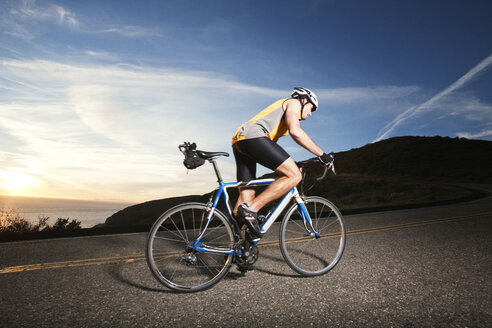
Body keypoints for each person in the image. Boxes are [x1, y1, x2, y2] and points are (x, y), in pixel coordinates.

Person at [232, 87, 334, 238]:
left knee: (247, 196)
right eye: (311, 108)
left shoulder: (280, 120)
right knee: (294, 177)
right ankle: (251, 210)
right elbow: (295, 131)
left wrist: (293, 164)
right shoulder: (293, 103)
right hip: (254, 136)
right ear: (304, 100)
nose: (310, 113)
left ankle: (238, 247)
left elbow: (271, 151)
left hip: (240, 141)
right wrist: (322, 154)